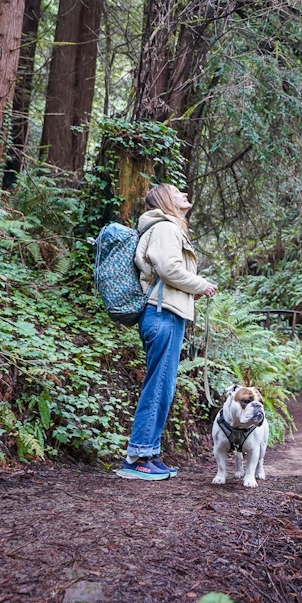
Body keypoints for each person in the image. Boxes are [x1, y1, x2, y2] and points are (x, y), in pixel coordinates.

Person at [117, 183, 217, 480]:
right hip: (163, 315)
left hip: (165, 313)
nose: (184, 194)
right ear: (165, 200)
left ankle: (148, 453)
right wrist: (201, 284)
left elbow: (167, 274)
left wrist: (190, 290)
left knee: (163, 386)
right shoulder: (165, 228)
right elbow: (169, 269)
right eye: (176, 192)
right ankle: (137, 458)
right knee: (159, 386)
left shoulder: (166, 227)